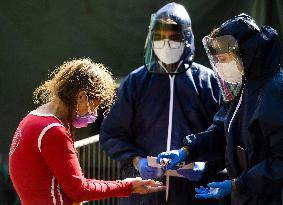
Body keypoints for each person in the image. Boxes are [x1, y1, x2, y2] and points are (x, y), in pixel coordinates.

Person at [99, 2, 228, 205]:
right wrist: (136, 161)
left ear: (187, 38)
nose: (166, 43)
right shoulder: (135, 82)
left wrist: (206, 165)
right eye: (160, 37)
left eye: (174, 37)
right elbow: (111, 134)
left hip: (194, 196)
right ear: (151, 38)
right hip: (144, 194)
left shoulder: (207, 81)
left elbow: (225, 135)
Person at [157, 13, 283, 205]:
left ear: (246, 53)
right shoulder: (244, 85)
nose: (221, 66)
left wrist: (237, 184)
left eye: (224, 58)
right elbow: (222, 131)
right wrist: (187, 150)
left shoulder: (274, 91)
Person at [8, 58, 165, 205]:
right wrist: (128, 186)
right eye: (95, 105)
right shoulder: (53, 131)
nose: (94, 113)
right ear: (82, 96)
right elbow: (79, 191)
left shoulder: (33, 119)